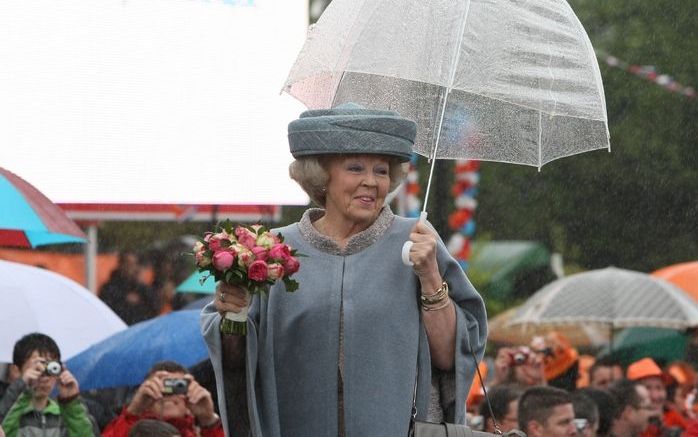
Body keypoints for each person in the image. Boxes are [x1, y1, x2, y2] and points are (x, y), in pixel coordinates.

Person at [200, 103, 488, 436]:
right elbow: (237, 364)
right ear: (322, 175)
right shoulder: (273, 250)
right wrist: (232, 316)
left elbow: (449, 359)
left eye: (381, 171)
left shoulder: (416, 241)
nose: (371, 182)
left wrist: (430, 277)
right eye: (355, 168)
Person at [0, 333, 97, 436]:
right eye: (37, 369)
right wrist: (22, 386)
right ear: (17, 370)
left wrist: (71, 402)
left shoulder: (66, 415)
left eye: (50, 368)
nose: (44, 377)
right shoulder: (10, 410)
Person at [102, 361, 223, 437]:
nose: (169, 394)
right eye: (161, 386)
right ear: (144, 393)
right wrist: (133, 412)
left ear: (189, 395)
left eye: (178, 386)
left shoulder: (199, 433)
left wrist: (209, 421)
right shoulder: (129, 429)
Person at [100, 250, 158, 325]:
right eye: (128, 264)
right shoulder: (110, 288)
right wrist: (124, 301)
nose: (131, 268)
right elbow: (107, 309)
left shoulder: (141, 287)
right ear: (121, 265)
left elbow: (154, 306)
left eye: (133, 264)